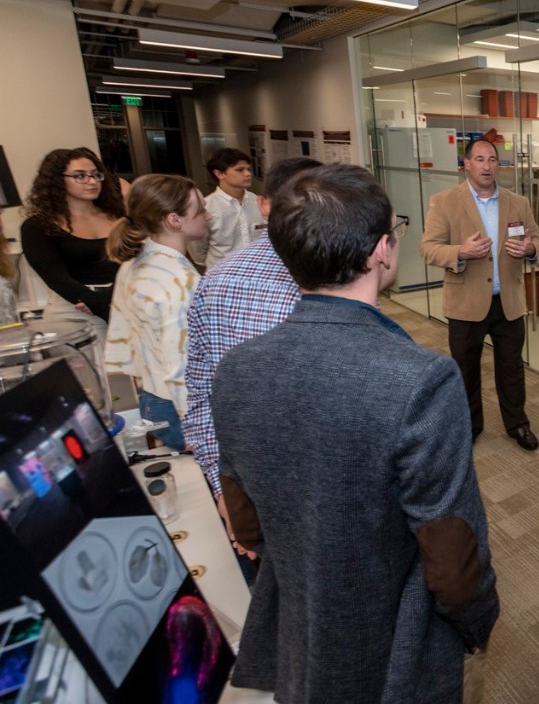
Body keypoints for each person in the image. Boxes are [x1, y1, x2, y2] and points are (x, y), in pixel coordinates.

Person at [213, 164, 499, 701]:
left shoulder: (237, 367)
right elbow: (454, 554)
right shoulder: (422, 379)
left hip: (302, 626)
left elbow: (247, 524)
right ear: (380, 251)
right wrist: (477, 624)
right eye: (397, 230)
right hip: (397, 639)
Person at [184, 157, 320, 552]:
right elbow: (202, 394)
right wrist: (224, 489)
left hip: (284, 484)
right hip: (272, 478)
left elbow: (200, 396)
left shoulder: (215, 282)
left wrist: (222, 488)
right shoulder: (220, 282)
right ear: (265, 205)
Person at [420, 138, 539, 451]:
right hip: (465, 302)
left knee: (512, 368)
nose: (487, 166)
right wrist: (460, 252)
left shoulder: (518, 202)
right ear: (467, 164)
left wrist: (530, 249)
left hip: (508, 301)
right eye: (479, 159)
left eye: (493, 160)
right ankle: (469, 426)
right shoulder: (445, 201)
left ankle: (517, 424)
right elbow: (428, 248)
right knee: (465, 370)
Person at [103, 175, 208, 452]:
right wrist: (197, 428)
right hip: (178, 408)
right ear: (174, 220)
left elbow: (123, 331)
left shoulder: (135, 261)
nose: (208, 215)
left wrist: (140, 378)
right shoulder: (178, 280)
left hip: (152, 399)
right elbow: (181, 362)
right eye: (201, 210)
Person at [19, 147, 126, 338]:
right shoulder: (37, 226)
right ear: (58, 180)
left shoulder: (118, 217)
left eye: (95, 175)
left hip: (122, 299)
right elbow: (57, 279)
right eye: (80, 176)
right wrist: (98, 305)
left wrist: (109, 296)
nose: (92, 181)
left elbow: (134, 262)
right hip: (73, 310)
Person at [190, 148, 264, 270]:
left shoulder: (258, 202)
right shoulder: (206, 207)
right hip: (222, 277)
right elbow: (197, 251)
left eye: (248, 169)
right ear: (219, 174)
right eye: (240, 170)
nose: (248, 174)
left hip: (257, 274)